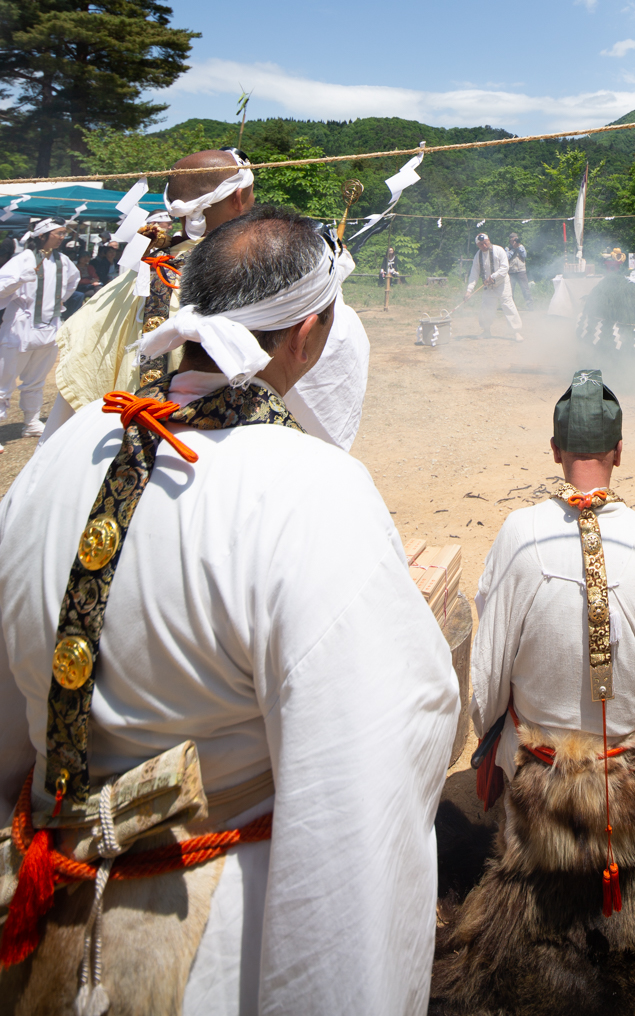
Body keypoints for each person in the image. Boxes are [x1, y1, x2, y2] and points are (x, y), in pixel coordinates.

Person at [0, 206, 458, 1011]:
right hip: (210, 944)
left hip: (29, 906)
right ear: (309, 336)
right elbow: (362, 784)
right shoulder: (311, 490)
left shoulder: (63, 452)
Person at [470, 369, 635, 827]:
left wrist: (490, 734)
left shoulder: (518, 533)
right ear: (619, 452)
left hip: (536, 785)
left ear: (555, 449)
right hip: (627, 791)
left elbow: (487, 678)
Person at [49, 148, 371, 453]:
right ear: (238, 197)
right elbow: (323, 371)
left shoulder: (126, 283)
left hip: (116, 444)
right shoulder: (259, 282)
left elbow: (74, 395)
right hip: (219, 451)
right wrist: (325, 277)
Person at [0, 220, 80, 442]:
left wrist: (54, 307)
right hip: (20, 329)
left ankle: (31, 422)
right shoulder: (23, 260)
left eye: (64, 233)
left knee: (36, 379)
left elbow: (72, 283)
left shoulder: (63, 261)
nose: (62, 236)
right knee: (3, 380)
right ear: (42, 235)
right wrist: (17, 282)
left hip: (49, 327)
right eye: (58, 233)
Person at [465, 232, 523, 341]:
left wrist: (493, 276)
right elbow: (474, 274)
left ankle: (516, 332)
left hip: (502, 284)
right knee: (486, 308)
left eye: (485, 243)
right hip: (488, 286)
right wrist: (469, 291)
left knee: (508, 306)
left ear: (489, 240)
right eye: (481, 244)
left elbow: (505, 268)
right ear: (478, 245)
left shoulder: (499, 250)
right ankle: (486, 331)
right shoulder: (478, 256)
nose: (484, 246)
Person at [507, 231, 533, 307]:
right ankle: (511, 306)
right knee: (510, 290)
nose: (515, 241)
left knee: (525, 288)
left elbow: (524, 255)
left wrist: (517, 247)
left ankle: (530, 305)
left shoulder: (521, 247)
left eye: (516, 240)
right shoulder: (507, 248)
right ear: (510, 241)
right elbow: (507, 257)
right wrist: (513, 249)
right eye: (513, 240)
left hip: (521, 271)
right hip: (511, 271)